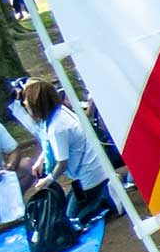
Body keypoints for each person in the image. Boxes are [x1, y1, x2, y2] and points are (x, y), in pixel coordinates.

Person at [22, 79, 110, 228]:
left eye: (27, 100)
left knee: (70, 220)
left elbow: (62, 163)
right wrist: (40, 160)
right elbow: (51, 144)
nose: (24, 103)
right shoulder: (59, 112)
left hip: (89, 176)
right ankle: (101, 194)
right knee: (67, 208)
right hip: (88, 172)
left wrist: (48, 180)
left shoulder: (57, 127)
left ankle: (107, 200)